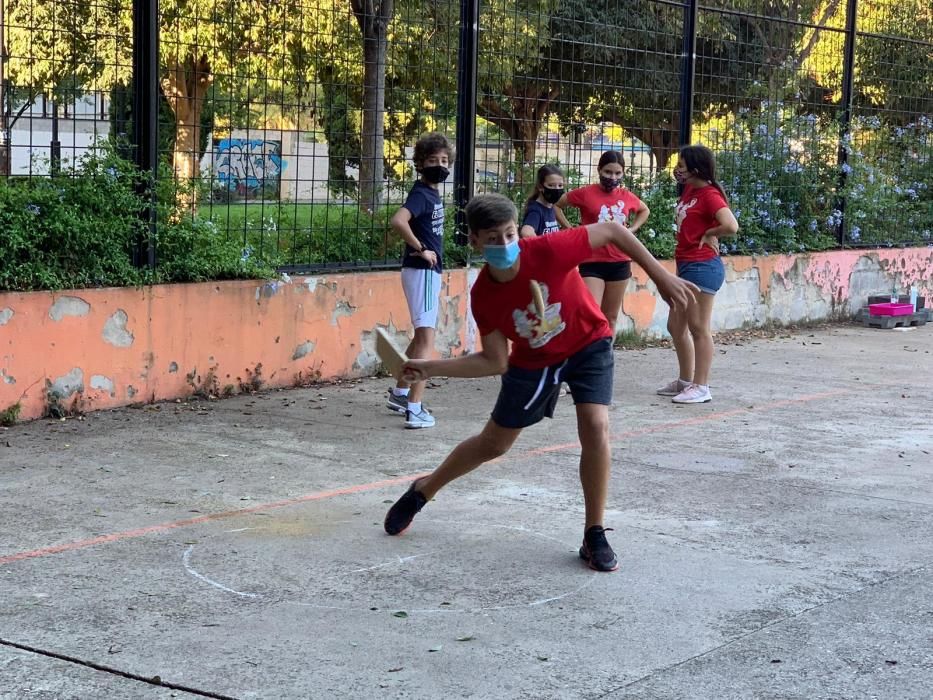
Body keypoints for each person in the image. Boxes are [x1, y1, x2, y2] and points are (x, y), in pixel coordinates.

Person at [383, 193, 698, 572]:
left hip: (588, 344)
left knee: (596, 426)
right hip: (534, 362)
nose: (504, 244)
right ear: (475, 241)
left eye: (510, 234)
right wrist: (431, 368)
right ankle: (424, 490)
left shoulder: (549, 250)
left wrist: (662, 276)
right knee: (493, 444)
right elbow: (494, 361)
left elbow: (614, 230)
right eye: (493, 238)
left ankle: (593, 532)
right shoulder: (484, 294)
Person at [657, 145, 739, 404]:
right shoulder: (691, 190)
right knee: (675, 326)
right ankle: (685, 381)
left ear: (695, 169)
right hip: (687, 266)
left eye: (682, 165)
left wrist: (709, 234)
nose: (678, 170)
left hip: (702, 267)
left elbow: (731, 225)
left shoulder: (709, 195)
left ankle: (701, 386)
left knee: (698, 328)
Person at [386, 132, 455, 429]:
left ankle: (401, 393)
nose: (439, 165)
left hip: (424, 273)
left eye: (443, 160)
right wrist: (421, 249)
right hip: (422, 271)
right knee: (427, 340)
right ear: (419, 163)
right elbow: (398, 221)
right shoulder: (420, 194)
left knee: (420, 336)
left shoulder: (429, 192)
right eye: (432, 160)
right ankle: (415, 409)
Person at [554, 150, 649, 334]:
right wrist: (570, 229)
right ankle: (589, 355)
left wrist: (631, 230)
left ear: (623, 173)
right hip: (592, 260)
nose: (612, 177)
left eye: (617, 173)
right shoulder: (585, 193)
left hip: (619, 261)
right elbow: (558, 205)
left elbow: (644, 210)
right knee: (591, 313)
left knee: (610, 317)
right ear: (599, 170)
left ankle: (605, 357)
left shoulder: (627, 196)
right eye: (608, 172)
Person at [520, 164, 564, 238]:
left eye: (560, 185)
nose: (556, 189)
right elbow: (526, 233)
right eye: (551, 185)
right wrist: (541, 246)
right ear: (540, 187)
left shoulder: (550, 207)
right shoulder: (536, 210)